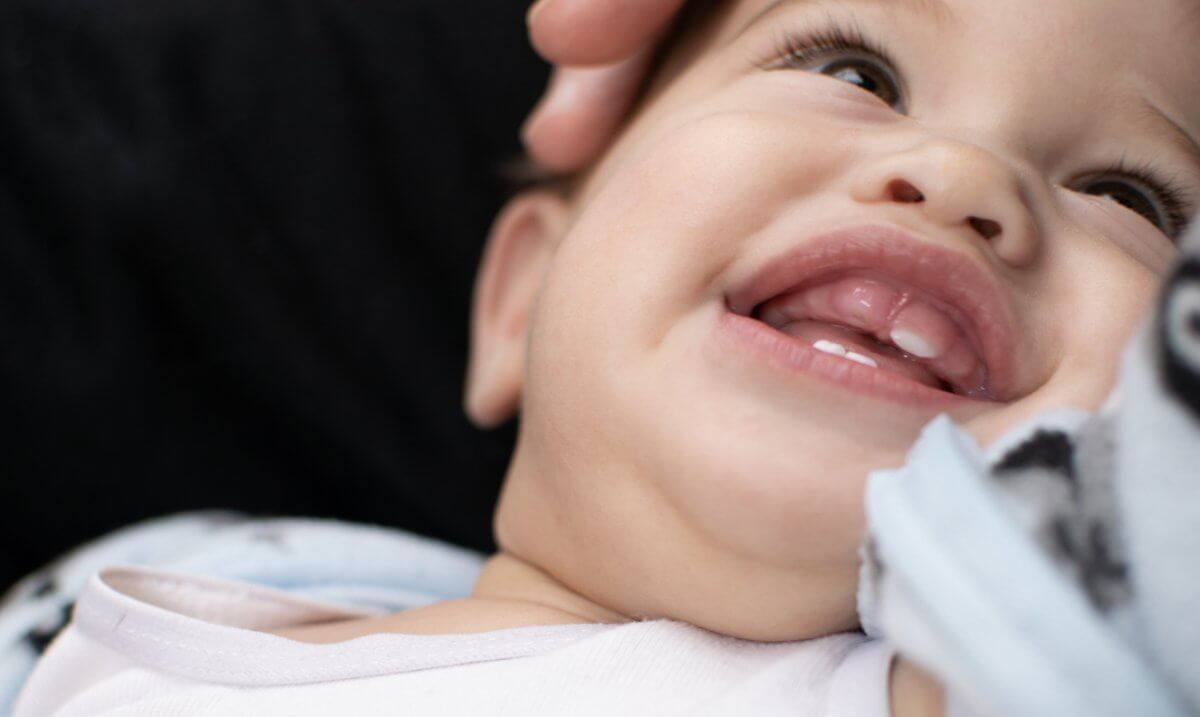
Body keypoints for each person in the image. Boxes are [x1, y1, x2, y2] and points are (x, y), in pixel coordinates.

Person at [14, 0, 1200, 714]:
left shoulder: (992, 689)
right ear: (524, 291)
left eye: (1134, 198)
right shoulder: (158, 594)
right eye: (855, 71)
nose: (962, 178)